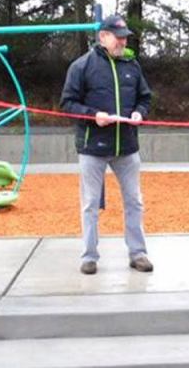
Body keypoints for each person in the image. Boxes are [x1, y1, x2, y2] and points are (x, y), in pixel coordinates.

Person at [60, 15, 153, 275]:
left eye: (125, 37)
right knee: (90, 203)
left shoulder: (132, 65)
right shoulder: (81, 66)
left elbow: (145, 98)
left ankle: (138, 253)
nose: (122, 42)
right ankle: (89, 256)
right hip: (93, 148)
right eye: (118, 37)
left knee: (134, 201)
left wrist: (140, 112)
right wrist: (93, 116)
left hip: (127, 147)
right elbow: (67, 103)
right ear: (103, 37)